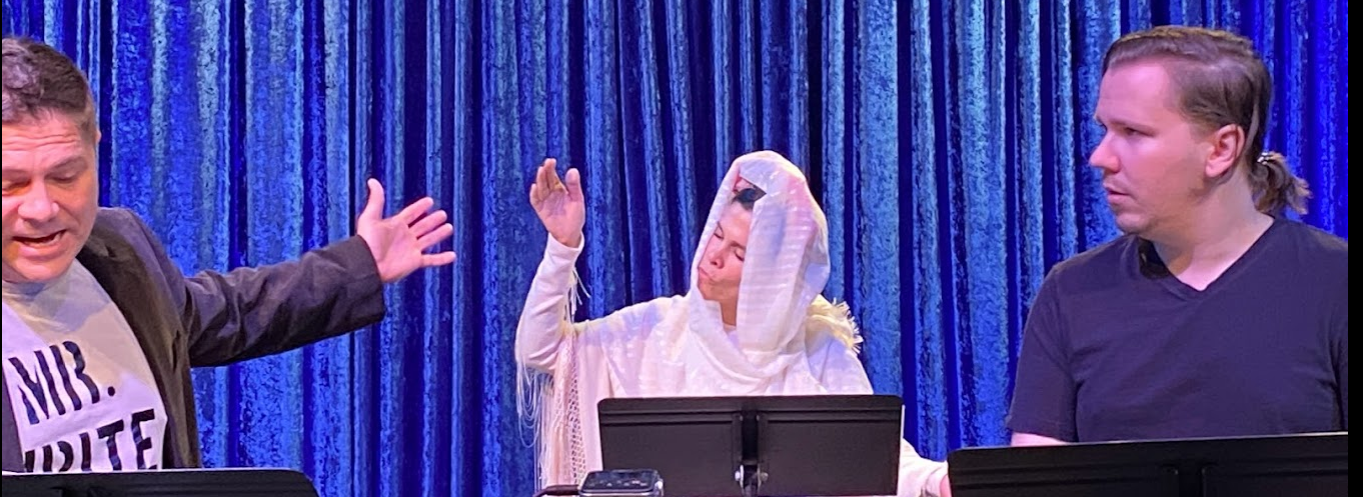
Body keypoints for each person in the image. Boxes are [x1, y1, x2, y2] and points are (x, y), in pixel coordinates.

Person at [0, 36, 456, 473]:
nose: (42, 209)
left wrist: (360, 264)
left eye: (65, 176)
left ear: (95, 150)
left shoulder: (120, 246)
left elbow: (229, 313)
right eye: (11, 184)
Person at [515, 150, 950, 496]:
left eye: (739, 253)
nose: (714, 256)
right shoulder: (655, 329)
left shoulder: (818, 349)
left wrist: (937, 480)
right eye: (717, 235)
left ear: (772, 275)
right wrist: (562, 247)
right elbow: (540, 350)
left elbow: (875, 458)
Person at [1006, 25, 1347, 446]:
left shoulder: (1334, 281)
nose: (1100, 157)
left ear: (1221, 149)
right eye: (1104, 130)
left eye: (1133, 133)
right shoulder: (1071, 291)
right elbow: (1037, 469)